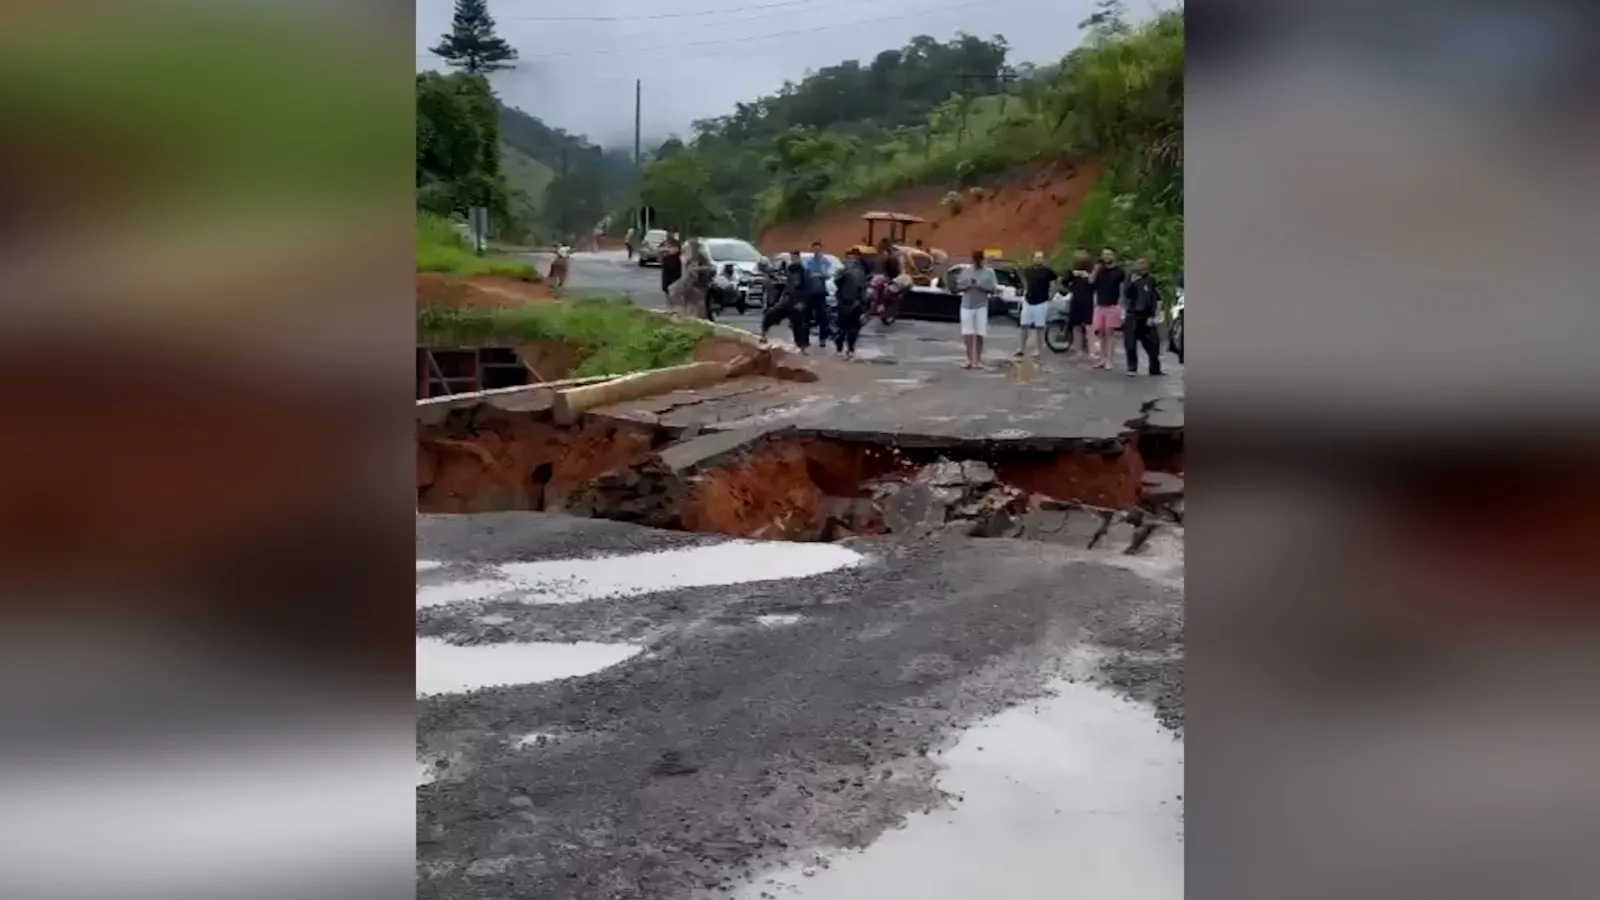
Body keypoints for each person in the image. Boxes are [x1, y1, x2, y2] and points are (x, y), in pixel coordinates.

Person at [1122, 258, 1164, 376]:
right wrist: (1132, 283)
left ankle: (1155, 368)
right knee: (1130, 344)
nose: (1142, 268)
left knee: (1154, 344)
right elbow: (1126, 295)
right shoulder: (1130, 279)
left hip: (1147, 315)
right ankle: (1132, 367)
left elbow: (1155, 298)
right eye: (1140, 265)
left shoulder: (1151, 280)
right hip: (1132, 314)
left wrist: (1154, 315)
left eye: (1144, 266)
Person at [956, 250, 997, 369]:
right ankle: (969, 359)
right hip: (967, 305)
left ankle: (977, 360)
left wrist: (981, 286)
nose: (977, 263)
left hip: (981, 305)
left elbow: (994, 289)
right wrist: (967, 285)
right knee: (967, 334)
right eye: (975, 260)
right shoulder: (967, 271)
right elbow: (958, 287)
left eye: (979, 260)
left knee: (979, 333)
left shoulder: (989, 272)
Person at [1089, 247, 1126, 369]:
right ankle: (1102, 358)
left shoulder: (1119, 272)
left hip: (1113, 305)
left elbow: (1122, 289)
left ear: (1114, 256)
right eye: (1104, 254)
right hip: (1100, 305)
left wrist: (1120, 305)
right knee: (1100, 333)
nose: (1106, 257)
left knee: (1110, 333)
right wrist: (1095, 270)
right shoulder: (1100, 270)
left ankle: (1110, 359)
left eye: (1109, 254)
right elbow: (1091, 282)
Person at [1016, 250, 1057, 358]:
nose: (1038, 259)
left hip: (1041, 301)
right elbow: (1024, 280)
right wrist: (1025, 289)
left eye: (1040, 257)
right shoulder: (1028, 270)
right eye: (1036, 257)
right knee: (1024, 325)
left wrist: (1052, 295)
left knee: (1039, 326)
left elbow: (1054, 283)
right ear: (1033, 258)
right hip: (1028, 300)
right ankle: (1021, 348)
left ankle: (1038, 349)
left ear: (1042, 259)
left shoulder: (1047, 271)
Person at [832, 250, 869, 358]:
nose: (850, 261)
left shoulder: (860, 272)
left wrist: (864, 305)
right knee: (841, 328)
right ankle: (839, 348)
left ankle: (851, 349)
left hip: (855, 304)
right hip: (843, 303)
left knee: (853, 329)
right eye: (848, 259)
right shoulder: (842, 272)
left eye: (852, 259)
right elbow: (836, 283)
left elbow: (863, 288)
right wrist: (844, 273)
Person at [1064, 249, 1096, 354]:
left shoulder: (1092, 270)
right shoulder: (1073, 271)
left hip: (1087, 299)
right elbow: (1065, 281)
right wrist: (1072, 275)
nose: (1079, 256)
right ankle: (1078, 350)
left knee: (1089, 325)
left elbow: (1095, 284)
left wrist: (1086, 276)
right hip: (1076, 298)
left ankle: (1092, 350)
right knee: (1076, 324)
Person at [804, 242, 832, 349]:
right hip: (810, 292)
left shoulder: (825, 262)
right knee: (807, 316)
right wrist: (817, 274)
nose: (816, 251)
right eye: (814, 249)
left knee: (823, 317)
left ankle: (822, 339)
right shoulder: (808, 262)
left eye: (818, 249)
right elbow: (807, 274)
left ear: (821, 250)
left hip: (821, 292)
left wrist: (819, 274)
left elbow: (828, 275)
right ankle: (805, 339)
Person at [659, 234, 683, 311]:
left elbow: (675, 250)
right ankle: (670, 309)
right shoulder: (665, 244)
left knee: (675, 294)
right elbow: (658, 251)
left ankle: (675, 310)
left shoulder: (676, 245)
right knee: (668, 293)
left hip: (675, 274)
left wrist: (666, 250)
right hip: (667, 274)